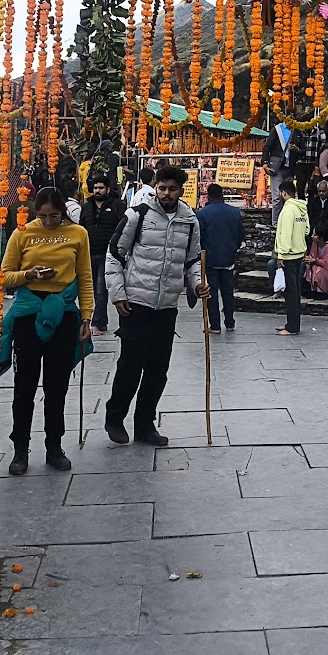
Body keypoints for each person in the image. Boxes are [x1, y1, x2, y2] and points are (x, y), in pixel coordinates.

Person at [104, 165, 206, 445]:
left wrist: (198, 284)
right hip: (136, 303)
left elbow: (193, 261)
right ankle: (114, 418)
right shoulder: (137, 215)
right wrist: (118, 294)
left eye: (172, 189)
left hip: (167, 306)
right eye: (162, 188)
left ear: (181, 191)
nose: (166, 193)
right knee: (131, 365)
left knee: (158, 369)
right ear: (155, 186)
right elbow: (115, 255)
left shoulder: (190, 221)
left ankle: (145, 425)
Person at [0, 188, 94, 474]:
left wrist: (87, 317)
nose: (48, 221)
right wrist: (29, 275)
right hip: (28, 314)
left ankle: (54, 446)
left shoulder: (78, 234)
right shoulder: (22, 233)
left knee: (57, 387)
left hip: (63, 313)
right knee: (24, 386)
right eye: (42, 216)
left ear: (63, 211)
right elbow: (4, 276)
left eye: (54, 216)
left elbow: (85, 277)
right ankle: (20, 449)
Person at [78, 174, 126, 332]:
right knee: (90, 289)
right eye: (95, 188)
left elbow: (123, 227)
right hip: (89, 253)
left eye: (101, 188)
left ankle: (97, 323)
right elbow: (81, 228)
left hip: (108, 254)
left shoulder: (117, 205)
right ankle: (100, 321)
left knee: (101, 289)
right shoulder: (87, 206)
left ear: (107, 189)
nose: (97, 191)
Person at [195, 183, 244, 332]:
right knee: (228, 292)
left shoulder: (202, 214)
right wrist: (233, 248)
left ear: (208, 195)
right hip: (228, 257)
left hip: (210, 259)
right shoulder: (235, 213)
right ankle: (230, 322)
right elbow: (240, 235)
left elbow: (199, 238)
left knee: (211, 292)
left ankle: (215, 325)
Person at [272, 179, 310, 335]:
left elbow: (286, 234)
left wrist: (281, 254)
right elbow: (306, 230)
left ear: (283, 193)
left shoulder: (288, 211)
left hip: (289, 255)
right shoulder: (302, 209)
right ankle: (291, 323)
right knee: (294, 291)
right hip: (299, 253)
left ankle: (292, 327)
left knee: (291, 292)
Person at [260, 123, 295, 211]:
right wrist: (265, 163)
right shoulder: (277, 129)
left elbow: (303, 148)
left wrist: (297, 149)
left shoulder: (297, 130)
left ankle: (288, 219)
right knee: (277, 197)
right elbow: (267, 147)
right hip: (276, 168)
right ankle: (275, 223)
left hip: (290, 168)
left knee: (289, 197)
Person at [306, 177, 328, 246]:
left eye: (323, 191)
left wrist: (322, 228)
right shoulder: (313, 202)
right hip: (314, 226)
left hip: (327, 227)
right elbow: (310, 215)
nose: (321, 193)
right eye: (319, 191)